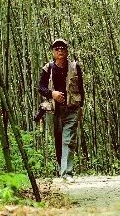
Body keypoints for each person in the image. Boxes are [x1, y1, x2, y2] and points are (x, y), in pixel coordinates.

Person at [38, 38, 84, 182]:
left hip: (72, 108)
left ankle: (67, 173)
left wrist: (81, 106)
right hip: (55, 110)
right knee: (59, 141)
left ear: (67, 51)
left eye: (63, 48)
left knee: (68, 140)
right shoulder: (48, 68)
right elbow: (41, 88)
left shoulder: (75, 67)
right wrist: (53, 94)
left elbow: (81, 88)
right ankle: (62, 169)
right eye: (57, 48)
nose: (60, 51)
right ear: (53, 52)